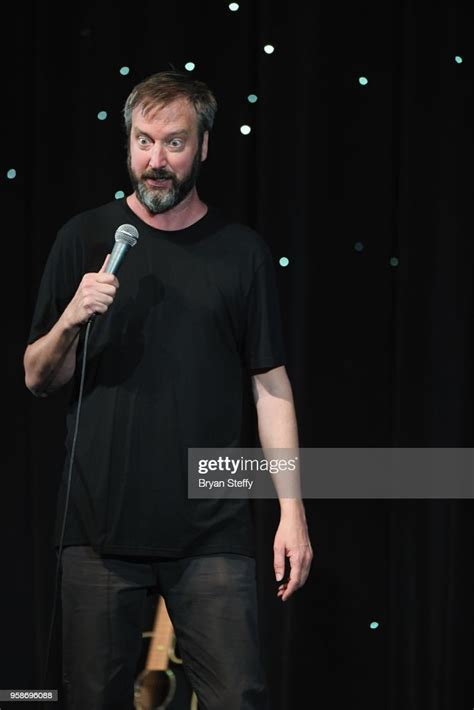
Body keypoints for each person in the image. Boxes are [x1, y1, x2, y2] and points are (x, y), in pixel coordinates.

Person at [23, 69, 313, 710]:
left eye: (174, 143)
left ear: (204, 146)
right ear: (127, 144)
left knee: (240, 696)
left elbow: (271, 388)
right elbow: (37, 377)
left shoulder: (242, 254)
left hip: (212, 521)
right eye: (144, 141)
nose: (156, 161)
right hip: (99, 526)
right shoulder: (85, 239)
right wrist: (71, 318)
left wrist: (292, 512)